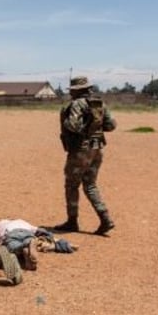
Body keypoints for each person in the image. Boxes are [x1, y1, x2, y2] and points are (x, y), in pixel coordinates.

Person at [52, 76, 116, 235]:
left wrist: (67, 121)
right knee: (90, 185)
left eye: (72, 91)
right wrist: (93, 128)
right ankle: (105, 218)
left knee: (72, 185)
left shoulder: (76, 104)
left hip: (80, 150)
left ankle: (72, 221)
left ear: (76, 91)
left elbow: (73, 125)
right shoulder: (100, 103)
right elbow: (111, 125)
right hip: (96, 148)